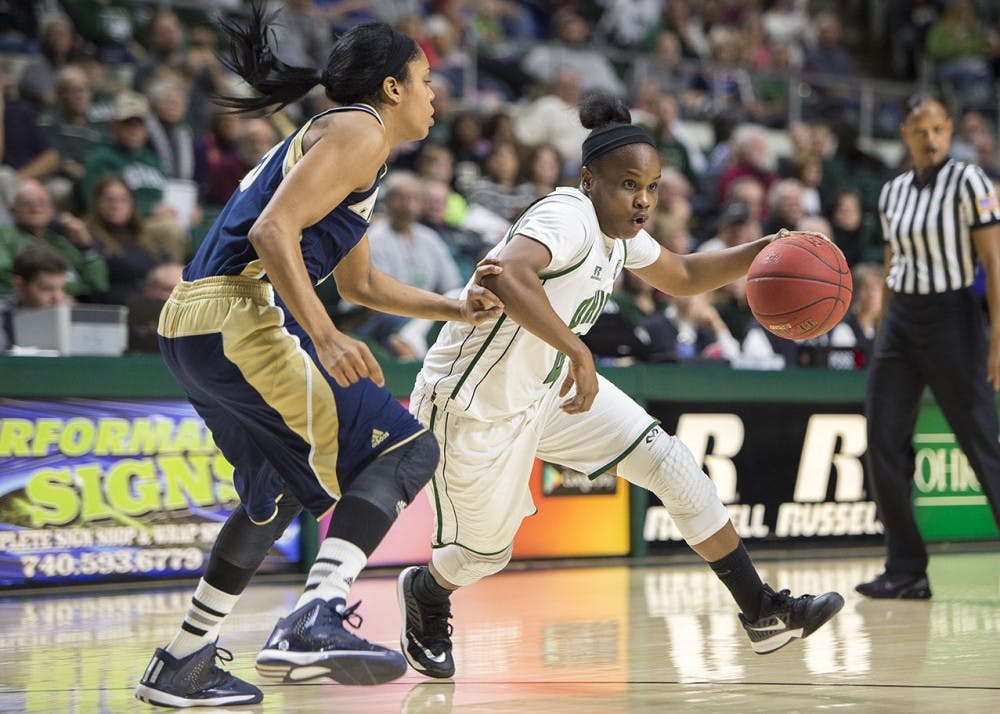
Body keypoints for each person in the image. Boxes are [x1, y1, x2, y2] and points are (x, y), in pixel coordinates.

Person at [397, 94, 844, 680]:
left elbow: (682, 274)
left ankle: (761, 610)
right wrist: (578, 350)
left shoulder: (621, 234)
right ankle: (426, 591)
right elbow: (508, 275)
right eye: (629, 185)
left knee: (670, 462)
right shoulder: (567, 214)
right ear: (589, 180)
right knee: (484, 554)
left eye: (652, 187)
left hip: (546, 392)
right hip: (472, 404)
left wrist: (760, 252)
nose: (644, 200)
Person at [133, 8, 504, 708]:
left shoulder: (351, 144)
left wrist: (454, 306)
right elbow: (273, 232)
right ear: (392, 88)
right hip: (240, 312)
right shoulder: (360, 130)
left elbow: (360, 283)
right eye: (425, 80)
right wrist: (327, 336)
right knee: (406, 451)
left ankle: (182, 661)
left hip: (193, 324)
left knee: (272, 494)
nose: (435, 95)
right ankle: (315, 615)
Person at [857, 93, 1000, 600]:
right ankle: (905, 568)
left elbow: (994, 261)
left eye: (938, 129)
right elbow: (891, 263)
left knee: (981, 442)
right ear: (906, 135)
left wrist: (998, 338)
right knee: (883, 439)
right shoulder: (892, 191)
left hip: (953, 318)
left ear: (949, 129)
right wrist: (882, 327)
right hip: (901, 320)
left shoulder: (971, 181)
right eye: (920, 131)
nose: (931, 139)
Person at [0, 243, 69, 351]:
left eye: (62, 288)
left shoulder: (68, 317)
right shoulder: (3, 317)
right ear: (19, 285)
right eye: (47, 288)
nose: (58, 298)